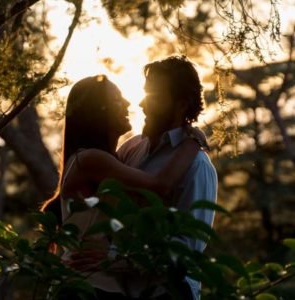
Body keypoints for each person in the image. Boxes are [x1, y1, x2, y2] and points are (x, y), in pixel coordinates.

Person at [40, 73, 208, 299]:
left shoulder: (118, 157)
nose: (130, 102)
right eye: (118, 98)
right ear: (98, 110)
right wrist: (195, 141)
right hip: (88, 287)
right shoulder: (92, 159)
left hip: (104, 289)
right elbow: (160, 186)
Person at [117, 56, 218, 300]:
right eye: (145, 93)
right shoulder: (132, 148)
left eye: (154, 96)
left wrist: (115, 257)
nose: (142, 103)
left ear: (181, 104)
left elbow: (187, 248)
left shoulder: (197, 166)